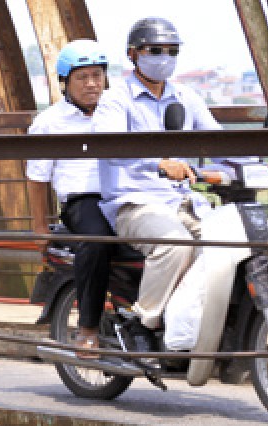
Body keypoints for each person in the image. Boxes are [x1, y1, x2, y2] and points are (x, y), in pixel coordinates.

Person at [92, 16, 221, 373]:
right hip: (134, 202)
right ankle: (141, 323)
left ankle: (191, 329)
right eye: (155, 50)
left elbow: (217, 139)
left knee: (225, 243)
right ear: (133, 54)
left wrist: (264, 164)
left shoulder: (185, 96)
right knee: (174, 243)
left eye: (171, 51)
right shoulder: (115, 99)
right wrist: (158, 163)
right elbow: (111, 148)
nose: (164, 57)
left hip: (182, 200)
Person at [26, 39, 113, 356]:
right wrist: (39, 228)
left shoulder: (116, 112)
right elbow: (37, 178)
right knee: (96, 238)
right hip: (83, 201)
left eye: (97, 75)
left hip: (122, 195)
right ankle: (87, 327)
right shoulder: (49, 122)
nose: (92, 84)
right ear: (65, 82)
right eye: (82, 77)